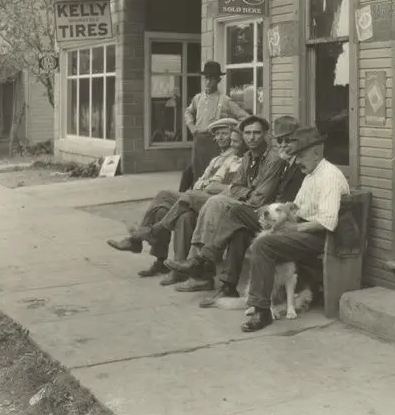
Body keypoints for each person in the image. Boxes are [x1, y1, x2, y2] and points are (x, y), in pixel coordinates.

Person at [169, 115, 305, 304]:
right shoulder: (256, 158)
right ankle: (227, 286)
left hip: (275, 217)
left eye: (288, 141)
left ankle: (201, 260)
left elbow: (262, 197)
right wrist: (246, 192)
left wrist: (247, 195)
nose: (282, 145)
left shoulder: (293, 165)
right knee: (228, 227)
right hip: (266, 213)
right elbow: (236, 187)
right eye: (280, 141)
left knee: (225, 208)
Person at [240, 126, 350, 333]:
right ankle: (259, 302)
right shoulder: (310, 176)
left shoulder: (329, 176)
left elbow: (327, 221)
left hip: (321, 236)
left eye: (301, 155)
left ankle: (262, 310)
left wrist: (293, 228)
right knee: (262, 237)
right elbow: (295, 207)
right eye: (296, 156)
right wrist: (276, 222)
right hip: (304, 229)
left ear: (317, 153)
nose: (297, 161)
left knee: (264, 244)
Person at [105, 118, 244, 277]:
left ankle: (140, 238)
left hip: (213, 202)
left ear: (235, 136)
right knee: (162, 210)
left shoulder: (237, 158)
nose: (220, 138)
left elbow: (220, 187)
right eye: (217, 134)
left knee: (165, 195)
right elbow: (201, 182)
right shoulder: (217, 159)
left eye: (225, 134)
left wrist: (205, 187)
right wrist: (203, 186)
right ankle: (161, 262)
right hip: (200, 196)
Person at [182, 61, 249, 190]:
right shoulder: (198, 98)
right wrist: (192, 127)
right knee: (196, 172)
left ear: (218, 80)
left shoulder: (224, 100)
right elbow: (188, 112)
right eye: (206, 78)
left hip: (215, 142)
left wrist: (232, 131)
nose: (208, 82)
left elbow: (244, 117)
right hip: (198, 140)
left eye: (212, 79)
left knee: (214, 171)